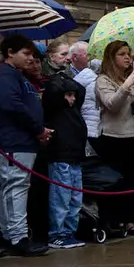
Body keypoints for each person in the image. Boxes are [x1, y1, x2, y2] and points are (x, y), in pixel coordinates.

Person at [0, 34, 51, 256]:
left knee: (13, 186)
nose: (30, 58)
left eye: (32, 54)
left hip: (22, 139)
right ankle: (17, 235)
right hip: (13, 139)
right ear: (10, 52)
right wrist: (37, 128)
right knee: (15, 186)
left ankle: (10, 233)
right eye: (26, 53)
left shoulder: (17, 76)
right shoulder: (6, 74)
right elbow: (11, 104)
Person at [93, 41, 134, 237]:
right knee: (115, 181)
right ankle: (114, 220)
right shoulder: (103, 80)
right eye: (122, 54)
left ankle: (131, 221)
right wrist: (127, 85)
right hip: (113, 137)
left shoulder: (132, 78)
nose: (128, 58)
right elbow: (112, 105)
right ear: (111, 58)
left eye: (129, 54)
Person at [42, 66, 87, 249]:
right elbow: (54, 91)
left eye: (73, 95)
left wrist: (65, 78)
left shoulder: (73, 110)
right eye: (68, 95)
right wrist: (58, 78)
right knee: (61, 198)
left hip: (75, 157)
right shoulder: (54, 109)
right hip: (61, 158)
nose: (73, 98)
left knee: (75, 198)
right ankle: (57, 233)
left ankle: (69, 232)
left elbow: (80, 90)